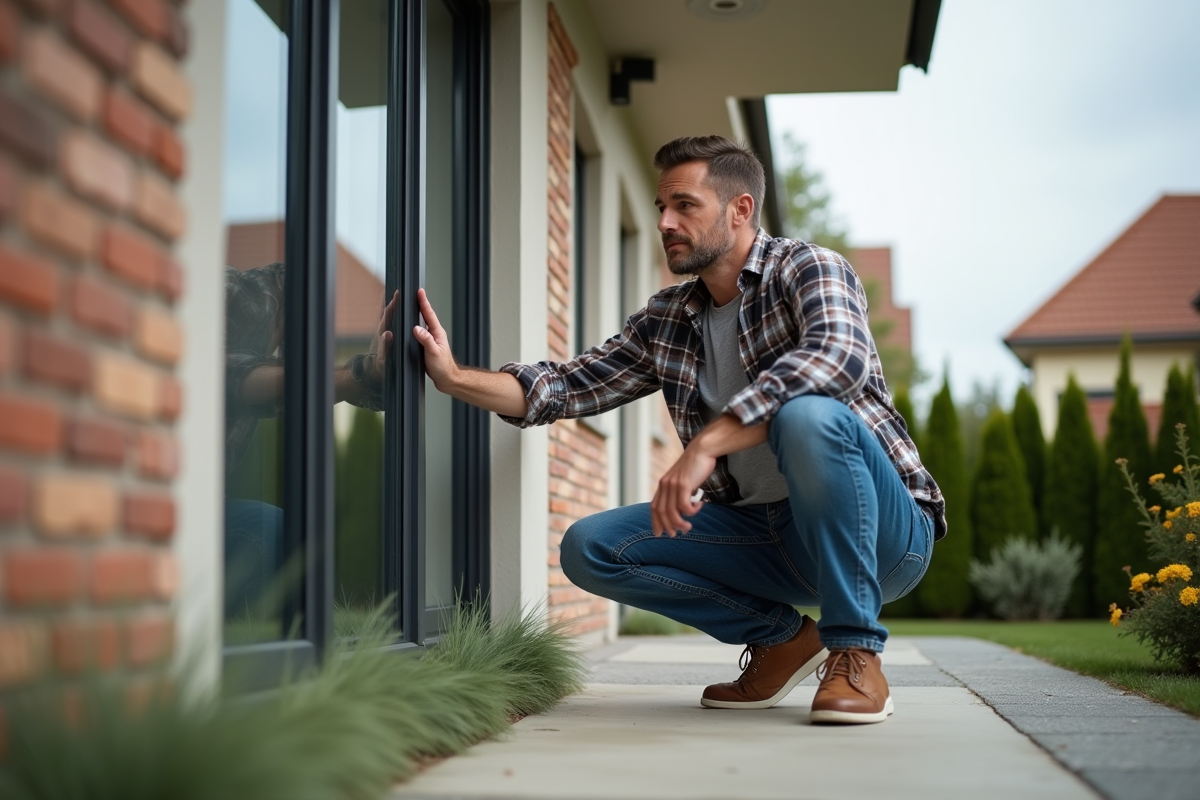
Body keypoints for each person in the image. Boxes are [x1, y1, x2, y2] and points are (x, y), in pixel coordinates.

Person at [412, 135, 945, 725]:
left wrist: (709, 443)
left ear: (740, 210)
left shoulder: (809, 268)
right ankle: (784, 641)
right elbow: (568, 384)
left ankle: (856, 650)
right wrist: (456, 378)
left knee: (808, 412)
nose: (665, 221)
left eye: (685, 205)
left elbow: (835, 363)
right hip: (766, 537)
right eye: (661, 207)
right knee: (592, 547)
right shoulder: (668, 317)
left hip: (887, 537)